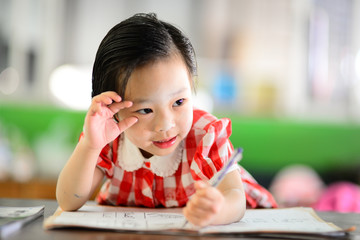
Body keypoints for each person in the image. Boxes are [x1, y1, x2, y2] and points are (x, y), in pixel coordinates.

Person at [56, 13, 277, 227]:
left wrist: (217, 210)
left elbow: (236, 199)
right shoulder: (108, 138)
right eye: (145, 110)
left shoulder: (205, 136)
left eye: (179, 102)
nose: (166, 125)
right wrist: (90, 145)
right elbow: (68, 201)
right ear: (114, 109)